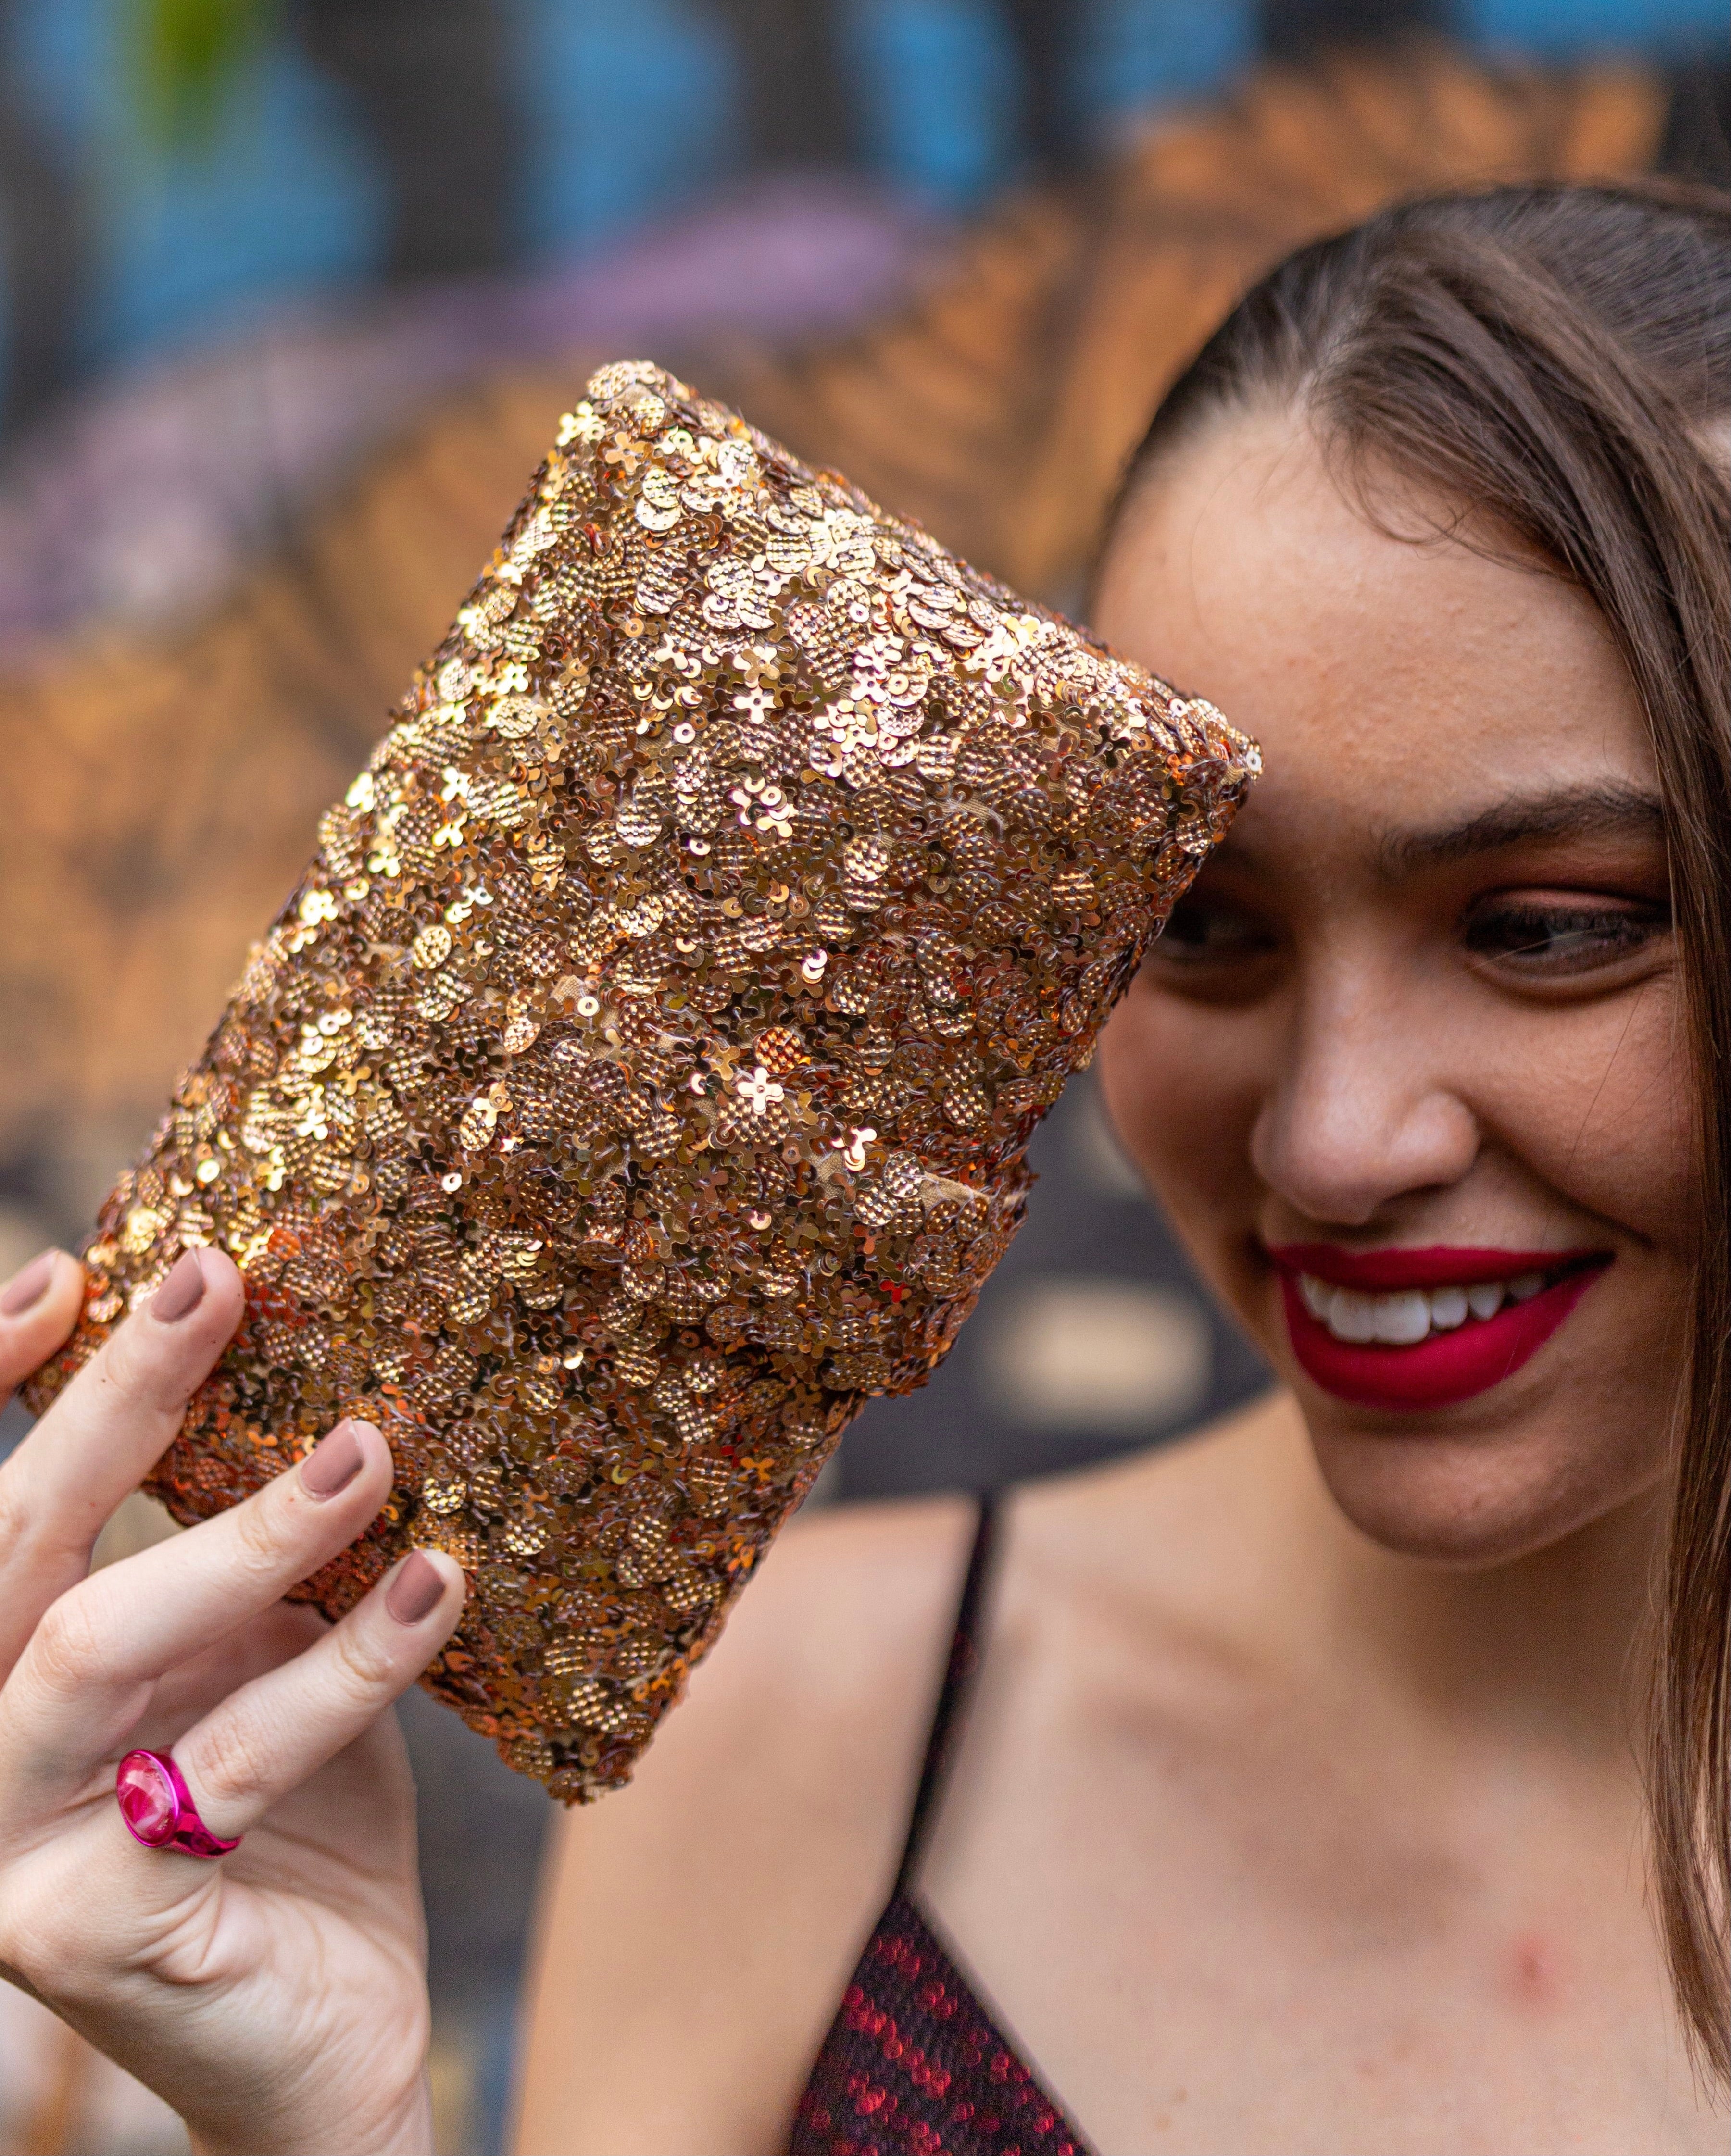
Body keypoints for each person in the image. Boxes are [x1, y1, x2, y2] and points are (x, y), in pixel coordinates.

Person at [0, 178, 1723, 2156]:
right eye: (1198, 928)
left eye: (1556, 927)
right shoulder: (816, 1739)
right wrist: (333, 2130)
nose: (1333, 1143)